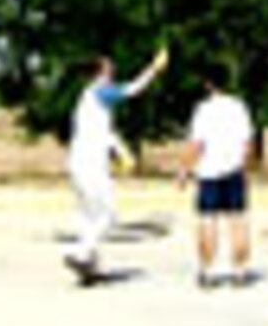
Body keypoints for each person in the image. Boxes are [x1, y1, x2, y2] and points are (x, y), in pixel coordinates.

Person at [64, 45, 167, 281]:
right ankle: (80, 254)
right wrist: (154, 69)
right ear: (99, 72)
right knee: (108, 216)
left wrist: (122, 152)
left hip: (79, 161)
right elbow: (132, 90)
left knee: (89, 216)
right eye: (109, 67)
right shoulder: (101, 91)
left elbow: (106, 133)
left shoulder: (89, 99)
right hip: (91, 164)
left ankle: (91, 268)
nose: (113, 70)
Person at [181, 69, 255, 288]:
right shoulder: (239, 107)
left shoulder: (203, 110)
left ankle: (208, 271)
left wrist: (185, 170)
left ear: (207, 84)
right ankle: (240, 271)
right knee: (238, 220)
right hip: (234, 169)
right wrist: (245, 167)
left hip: (209, 172)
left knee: (207, 220)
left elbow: (197, 144)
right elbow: (248, 143)